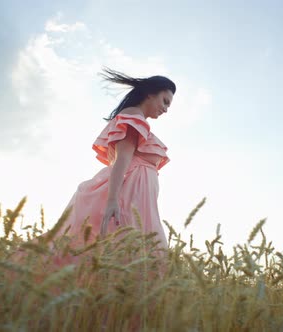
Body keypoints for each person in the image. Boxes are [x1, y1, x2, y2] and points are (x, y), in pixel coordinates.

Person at [14, 68, 176, 271]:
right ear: (150, 93)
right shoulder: (133, 117)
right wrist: (112, 200)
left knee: (135, 254)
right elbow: (122, 160)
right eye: (165, 101)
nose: (166, 109)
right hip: (130, 194)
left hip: (140, 198)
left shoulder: (137, 119)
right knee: (134, 252)